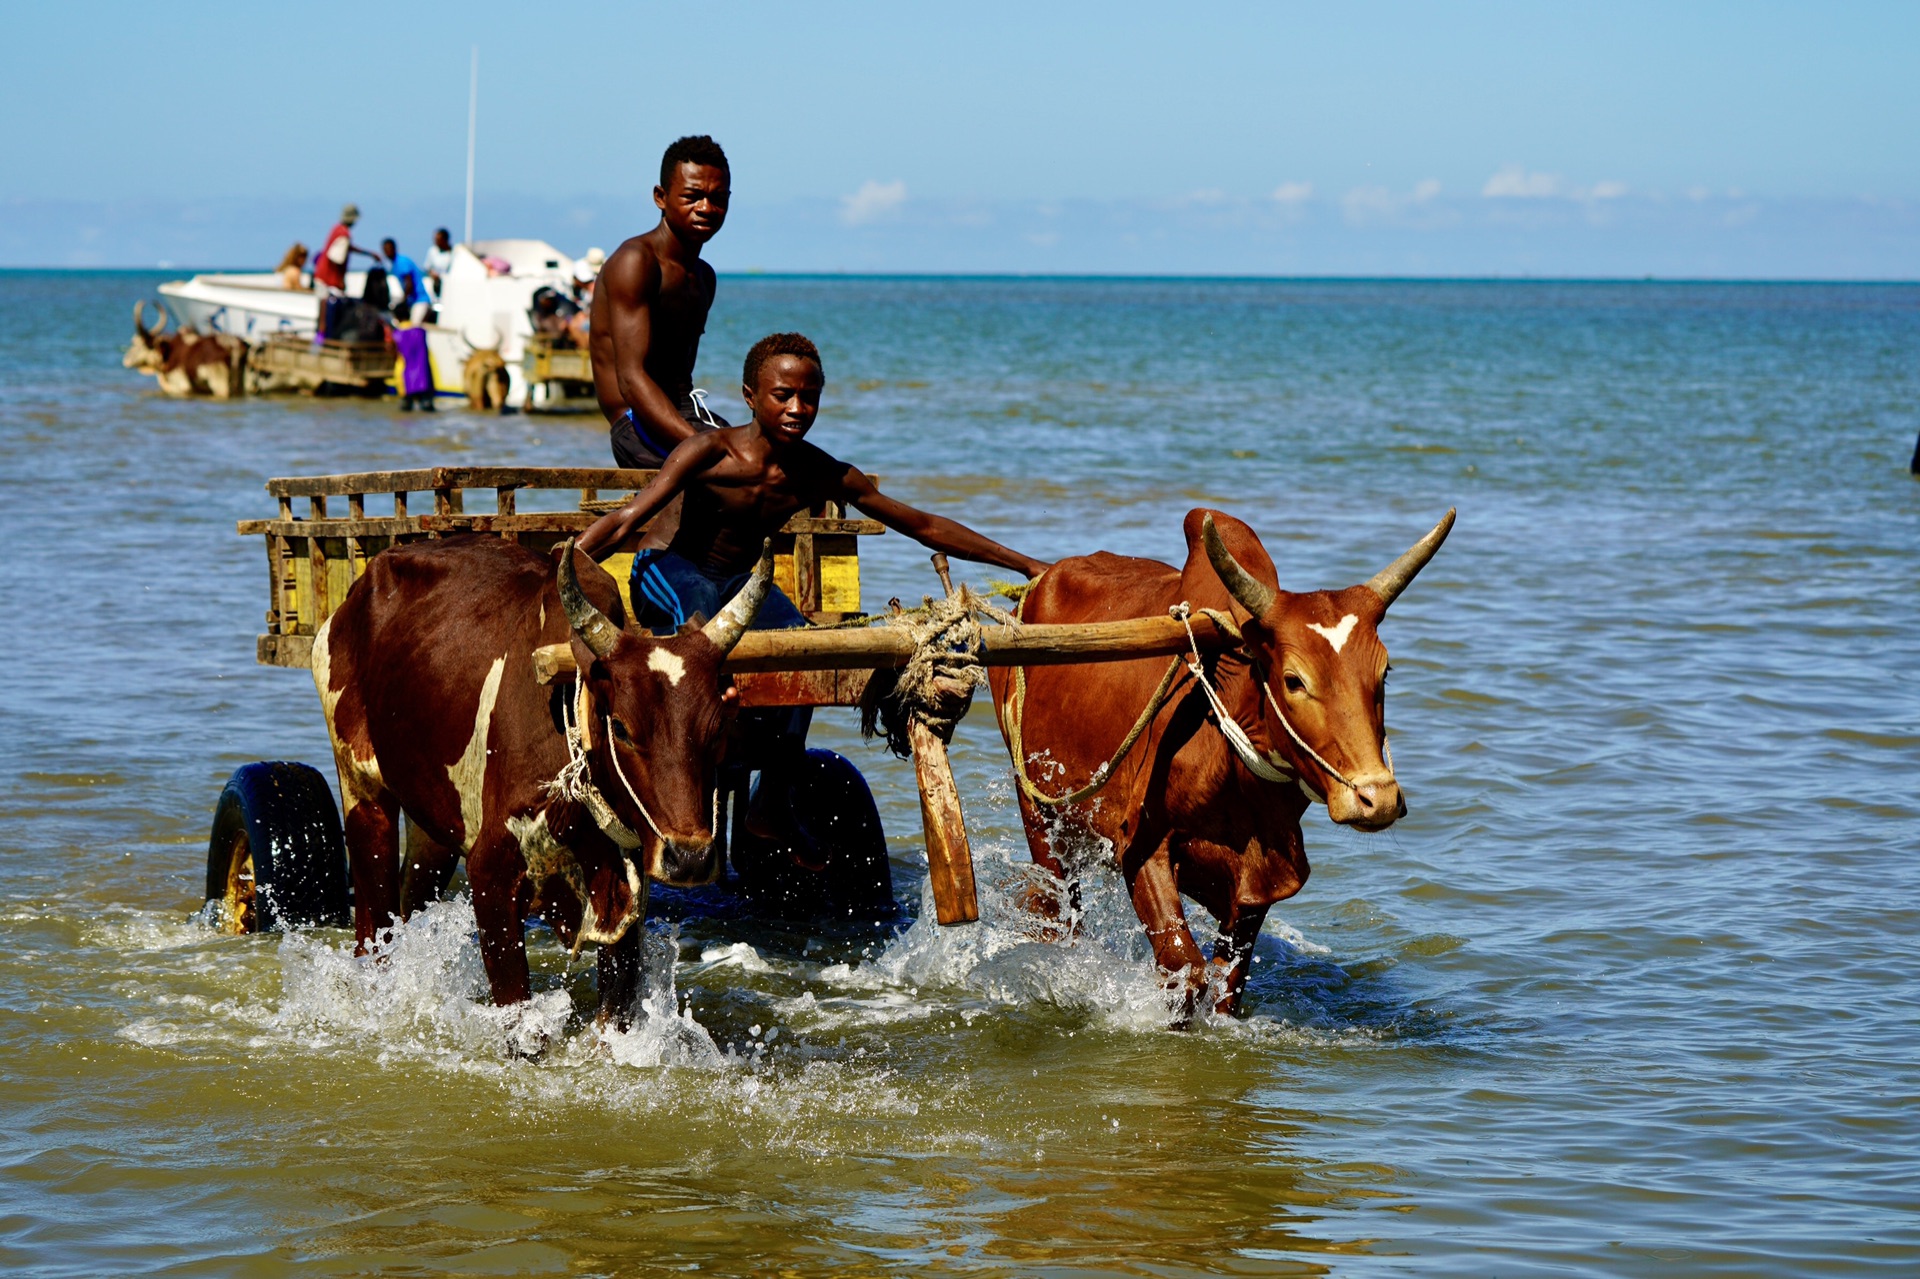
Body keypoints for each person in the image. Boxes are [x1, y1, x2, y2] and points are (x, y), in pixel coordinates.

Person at [575, 332, 1051, 846]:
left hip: (739, 583)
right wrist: (562, 567)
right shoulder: (709, 452)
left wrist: (1025, 564)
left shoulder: (818, 471)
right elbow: (628, 520)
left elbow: (922, 524)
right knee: (701, 619)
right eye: (783, 395)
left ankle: (772, 797)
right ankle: (697, 757)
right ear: (750, 396)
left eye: (810, 396)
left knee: (803, 648)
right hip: (669, 569)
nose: (798, 408)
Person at [591, 136, 733, 468]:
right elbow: (631, 379)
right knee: (739, 472)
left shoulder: (703, 277)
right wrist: (701, 447)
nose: (706, 208)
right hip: (635, 424)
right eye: (692, 196)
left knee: (785, 467)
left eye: (717, 198)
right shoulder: (636, 262)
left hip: (684, 414)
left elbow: (683, 378)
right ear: (661, 197)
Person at [313, 203, 382, 296]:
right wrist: (340, 281)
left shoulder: (337, 229)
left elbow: (348, 248)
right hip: (329, 280)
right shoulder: (344, 234)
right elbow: (336, 258)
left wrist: (369, 254)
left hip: (321, 276)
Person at [382, 238, 432, 323]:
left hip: (420, 300)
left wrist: (403, 301)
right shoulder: (395, 264)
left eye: (389, 249)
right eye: (385, 250)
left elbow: (409, 284)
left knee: (414, 328)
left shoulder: (401, 262)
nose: (387, 252)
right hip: (413, 302)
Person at [424, 227, 454, 300]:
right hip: (435, 283)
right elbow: (427, 267)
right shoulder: (432, 251)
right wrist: (433, 275)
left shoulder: (454, 253)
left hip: (448, 283)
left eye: (438, 240)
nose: (435, 242)